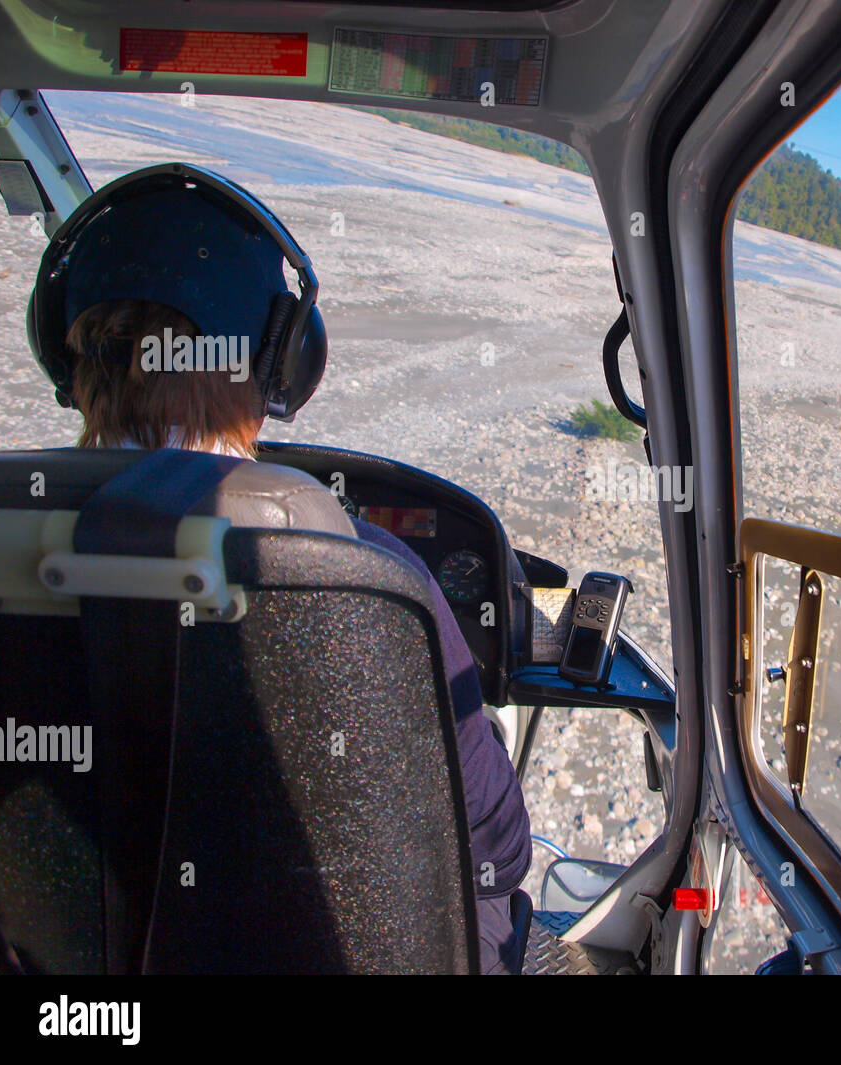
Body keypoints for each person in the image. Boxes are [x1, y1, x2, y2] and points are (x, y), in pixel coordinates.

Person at [33, 165, 531, 974]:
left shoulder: (5, 538)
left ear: (67, 356)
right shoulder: (367, 571)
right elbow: (499, 852)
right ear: (283, 363)